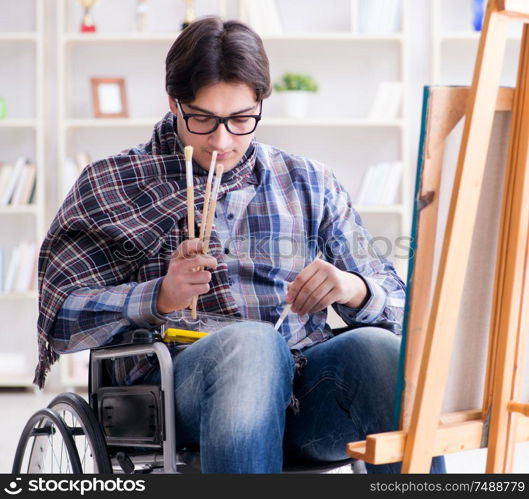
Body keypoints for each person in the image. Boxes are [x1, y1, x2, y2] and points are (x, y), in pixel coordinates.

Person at [35, 16, 445, 474]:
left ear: (260, 104)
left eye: (241, 120)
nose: (221, 141)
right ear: (173, 102)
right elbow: (61, 316)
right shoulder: (111, 183)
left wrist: (352, 287)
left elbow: (400, 309)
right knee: (250, 347)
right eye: (203, 119)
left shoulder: (309, 180)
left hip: (304, 392)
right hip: (172, 393)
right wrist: (160, 296)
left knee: (381, 354)